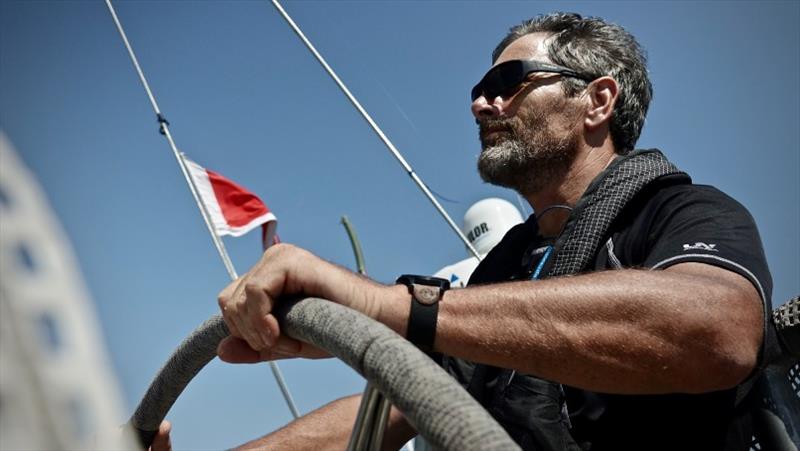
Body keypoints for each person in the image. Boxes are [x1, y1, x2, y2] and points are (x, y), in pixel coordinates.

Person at [208, 12, 770, 451]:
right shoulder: (507, 266)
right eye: (480, 89)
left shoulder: (683, 212)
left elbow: (719, 328)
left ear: (597, 100)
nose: (481, 104)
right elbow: (402, 404)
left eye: (508, 81)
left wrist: (396, 307)